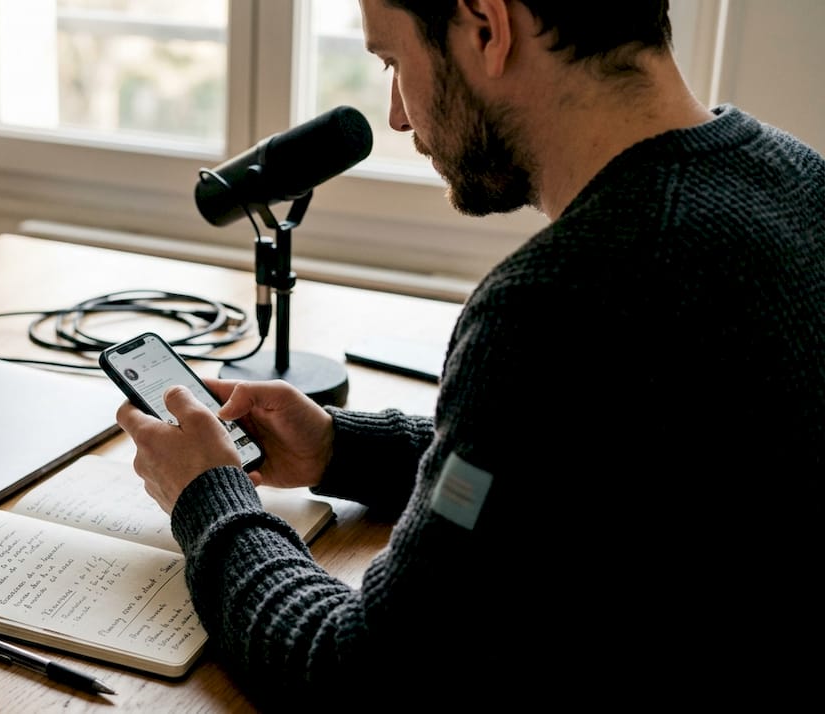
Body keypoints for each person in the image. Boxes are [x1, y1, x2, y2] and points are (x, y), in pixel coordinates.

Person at [113, 0, 825, 707]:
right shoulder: (799, 178)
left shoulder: (560, 299)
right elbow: (581, 471)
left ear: (488, 27)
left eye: (393, 63)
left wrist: (209, 498)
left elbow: (360, 678)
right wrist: (341, 448)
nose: (397, 115)